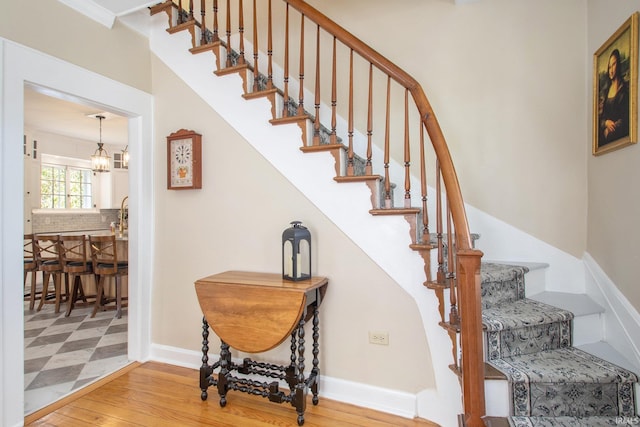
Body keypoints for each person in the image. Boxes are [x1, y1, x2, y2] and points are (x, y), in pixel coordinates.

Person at [599, 49, 629, 145]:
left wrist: (612, 128)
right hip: (605, 138)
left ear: (618, 65)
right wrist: (606, 123)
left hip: (619, 136)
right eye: (609, 66)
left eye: (614, 65)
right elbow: (601, 118)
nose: (611, 70)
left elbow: (625, 118)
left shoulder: (624, 90)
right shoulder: (606, 91)